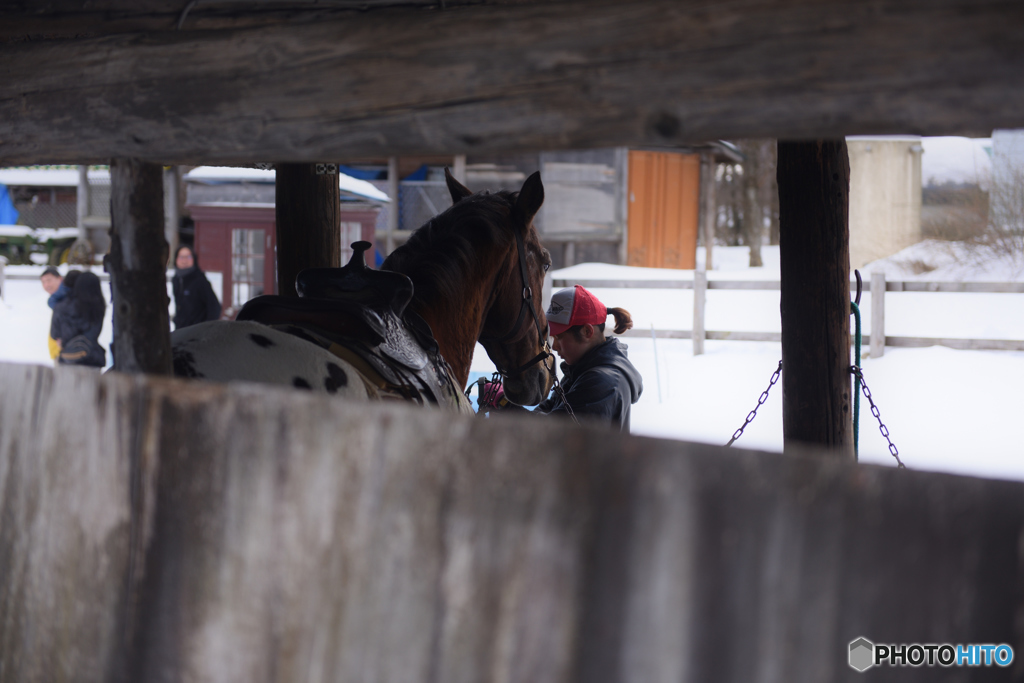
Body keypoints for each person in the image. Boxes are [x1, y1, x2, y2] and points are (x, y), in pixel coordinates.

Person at [481, 285, 643, 431]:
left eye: (559, 338)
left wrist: (504, 404)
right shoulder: (580, 371)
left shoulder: (602, 383)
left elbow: (554, 433)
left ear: (587, 332)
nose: (555, 346)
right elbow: (547, 412)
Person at [51, 270, 106, 368]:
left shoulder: (61, 307)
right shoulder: (98, 307)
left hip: (68, 358)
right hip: (92, 358)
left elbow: (55, 335)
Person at [171, 245, 221, 330]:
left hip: (197, 333)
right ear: (176, 259)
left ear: (194, 259)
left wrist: (206, 328)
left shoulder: (200, 280)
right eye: (181, 257)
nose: (185, 260)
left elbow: (214, 307)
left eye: (188, 256)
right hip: (180, 331)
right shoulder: (176, 280)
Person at [39, 266, 65, 362]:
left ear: (60, 279)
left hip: (66, 354)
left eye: (49, 280)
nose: (46, 285)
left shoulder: (65, 300)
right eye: (43, 282)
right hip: (59, 353)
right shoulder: (57, 301)